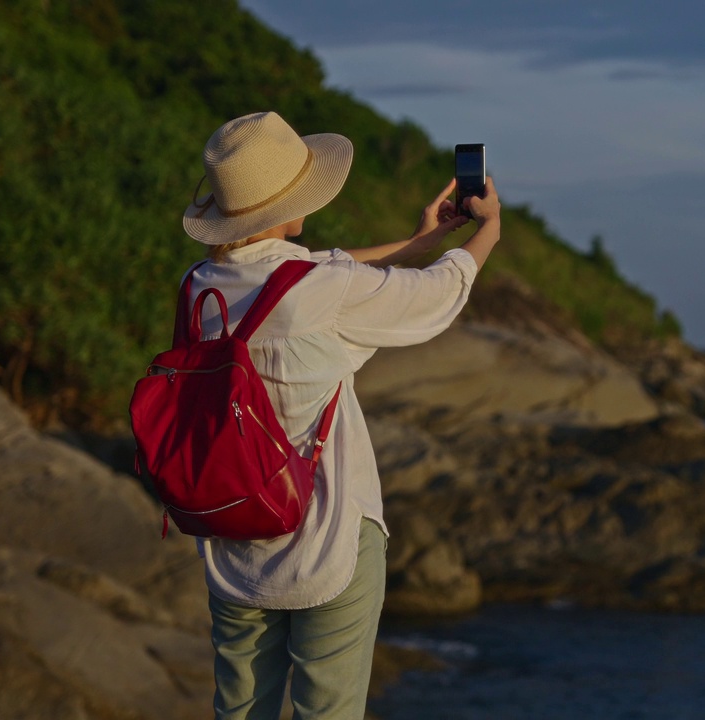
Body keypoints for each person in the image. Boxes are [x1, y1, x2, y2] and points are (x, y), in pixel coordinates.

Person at [178, 111, 500, 720]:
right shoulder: (320, 289)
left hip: (233, 536)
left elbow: (292, 272)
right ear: (290, 205)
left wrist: (417, 242)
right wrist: (486, 233)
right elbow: (433, 299)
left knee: (241, 711)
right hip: (329, 539)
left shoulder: (201, 287)